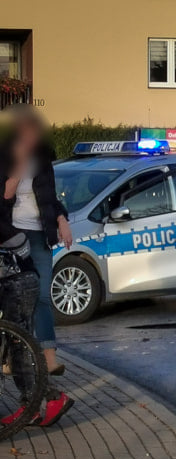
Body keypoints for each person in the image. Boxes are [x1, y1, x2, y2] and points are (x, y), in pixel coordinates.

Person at [0, 105, 73, 376]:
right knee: (14, 301)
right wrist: (18, 164)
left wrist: (62, 221)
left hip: (40, 233)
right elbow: (5, 195)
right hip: (11, 235)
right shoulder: (6, 156)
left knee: (42, 296)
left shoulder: (43, 159)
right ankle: (10, 358)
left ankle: (49, 357)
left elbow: (51, 198)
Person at [0, 224, 74, 427]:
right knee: (18, 346)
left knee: (19, 346)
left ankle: (49, 398)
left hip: (18, 283)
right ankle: (34, 405)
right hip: (18, 281)